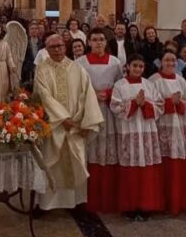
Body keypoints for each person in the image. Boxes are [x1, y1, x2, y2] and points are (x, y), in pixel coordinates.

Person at [34, 34, 103, 211]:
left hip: (75, 127)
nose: (57, 50)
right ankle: (47, 204)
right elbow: (43, 96)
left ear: (65, 47)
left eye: (59, 46)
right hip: (54, 127)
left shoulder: (77, 68)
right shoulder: (41, 70)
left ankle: (76, 203)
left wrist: (86, 123)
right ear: (46, 50)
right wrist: (62, 119)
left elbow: (87, 94)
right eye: (52, 47)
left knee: (75, 163)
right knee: (51, 164)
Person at [109, 54, 165, 220]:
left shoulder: (149, 85)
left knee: (147, 169)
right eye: (135, 66)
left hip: (147, 131)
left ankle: (146, 205)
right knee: (130, 169)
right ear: (127, 67)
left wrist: (145, 104)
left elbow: (160, 106)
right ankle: (129, 206)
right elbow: (115, 106)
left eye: (141, 66)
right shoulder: (120, 85)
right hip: (129, 131)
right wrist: (134, 104)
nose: (138, 69)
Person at [76, 28, 124, 214]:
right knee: (91, 150)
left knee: (109, 150)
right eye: (94, 39)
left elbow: (121, 86)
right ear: (88, 42)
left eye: (101, 39)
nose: (98, 43)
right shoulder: (80, 63)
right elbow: (76, 88)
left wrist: (109, 94)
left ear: (106, 42)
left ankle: (109, 196)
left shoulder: (115, 63)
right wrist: (91, 95)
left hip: (109, 110)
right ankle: (89, 197)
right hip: (89, 111)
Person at [149, 51, 186, 214]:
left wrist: (180, 104)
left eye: (173, 60)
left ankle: (177, 201)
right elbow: (151, 104)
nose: (170, 63)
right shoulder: (153, 80)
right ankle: (161, 201)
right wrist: (170, 103)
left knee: (177, 163)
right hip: (162, 126)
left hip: (179, 126)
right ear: (161, 62)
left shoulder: (181, 80)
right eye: (167, 60)